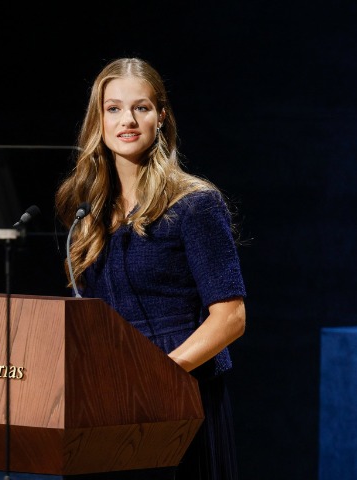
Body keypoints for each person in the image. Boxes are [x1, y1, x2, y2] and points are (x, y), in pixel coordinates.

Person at [55, 57, 247, 480]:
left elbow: (231, 318)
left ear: (161, 118)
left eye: (141, 107)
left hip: (181, 391)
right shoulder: (88, 214)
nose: (128, 120)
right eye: (114, 108)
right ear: (98, 121)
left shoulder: (195, 204)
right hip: (108, 401)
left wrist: (156, 378)